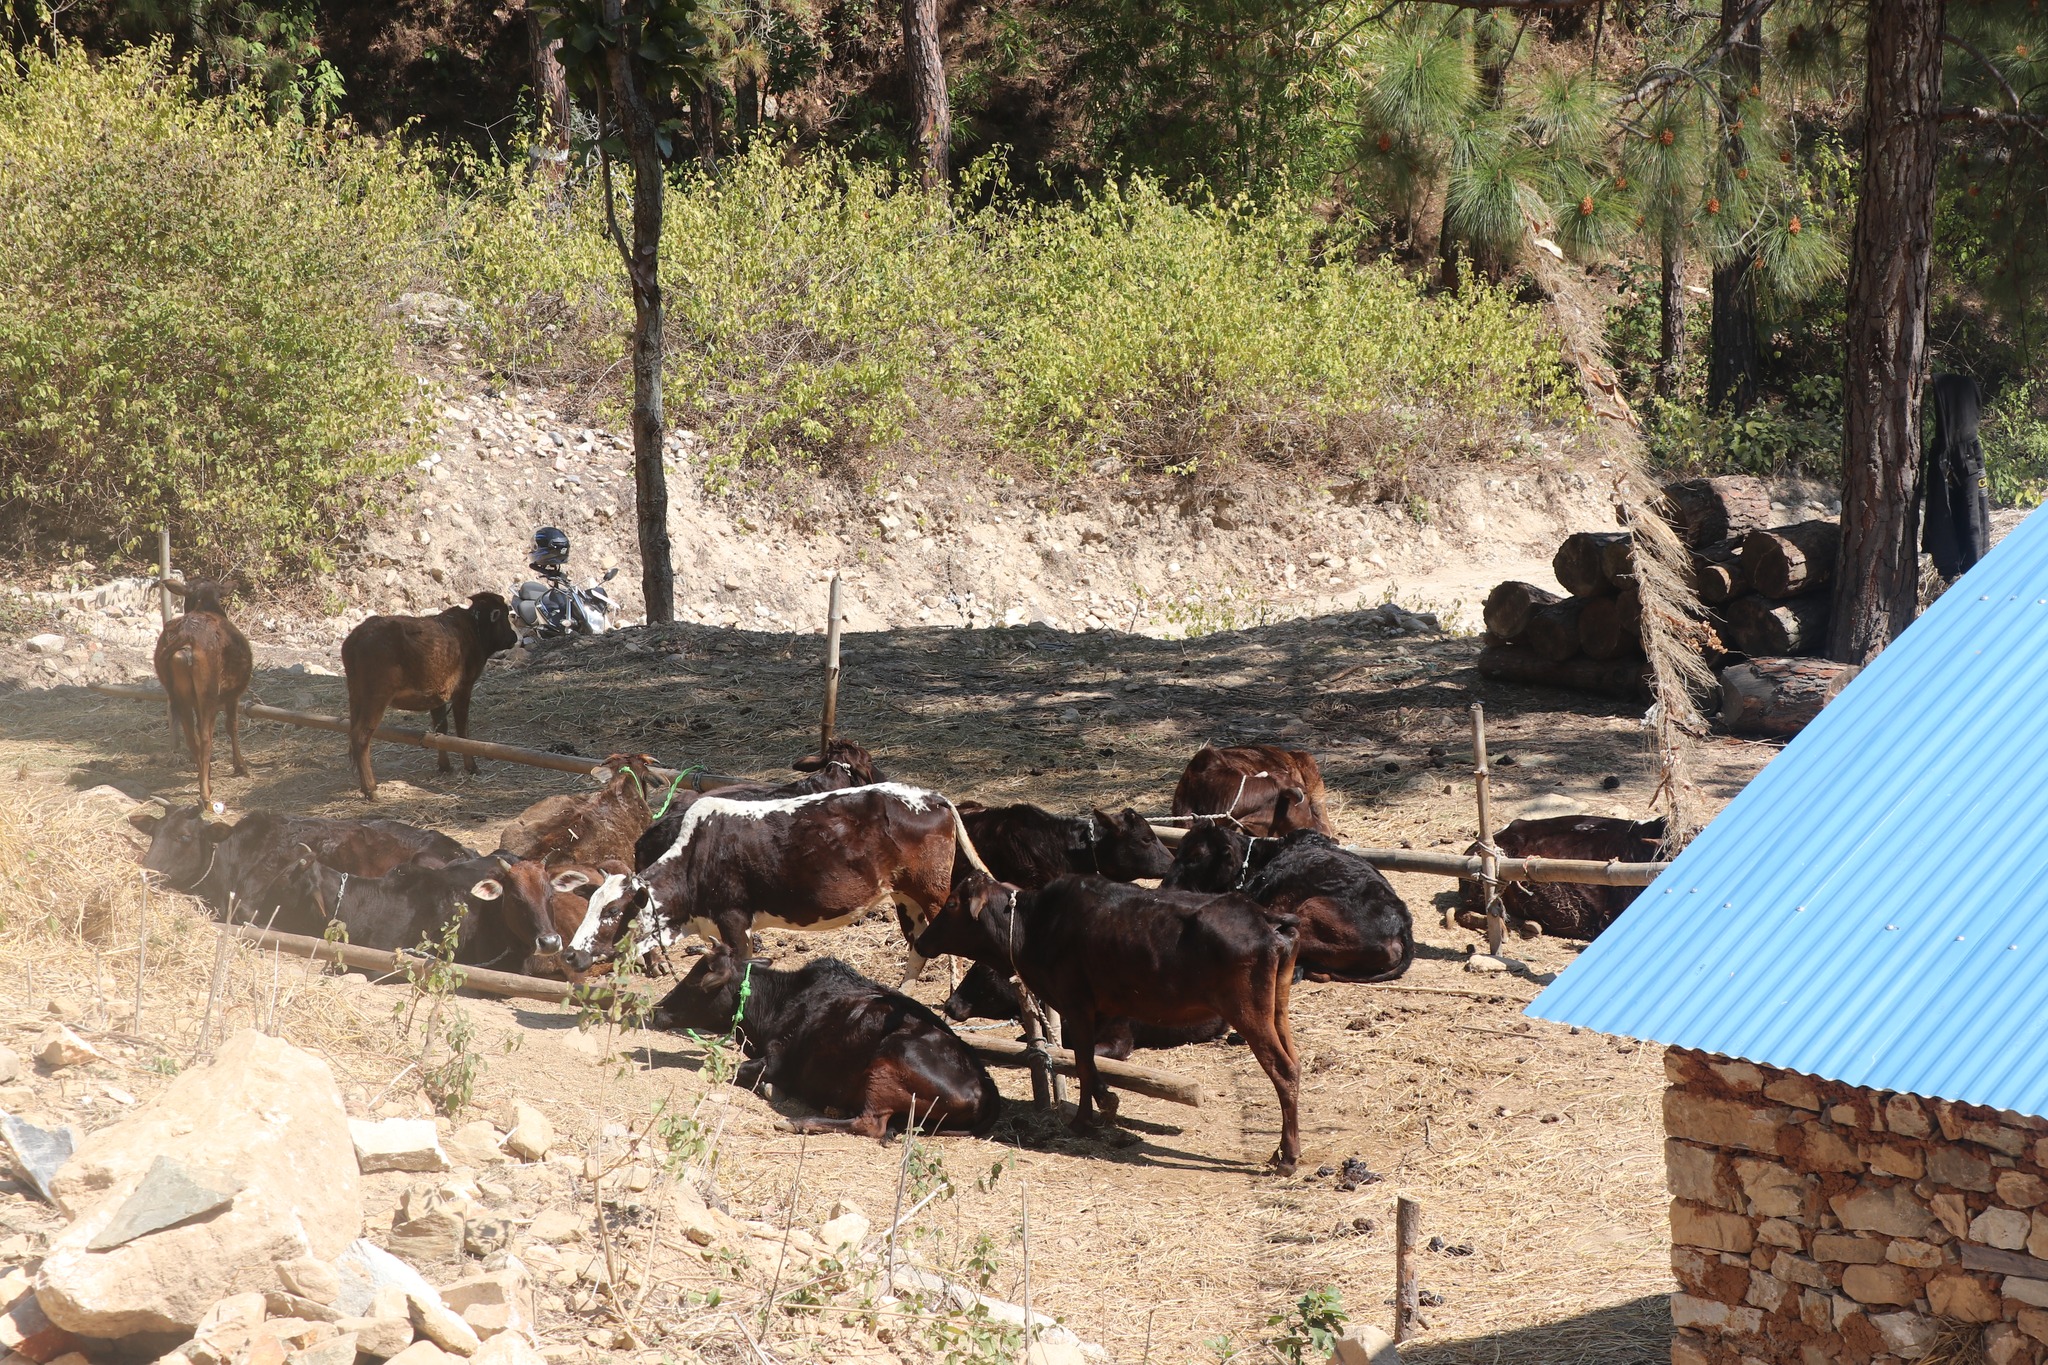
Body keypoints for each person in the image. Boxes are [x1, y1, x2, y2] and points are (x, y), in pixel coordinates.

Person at [1922, 374, 1992, 580]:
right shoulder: (1942, 452)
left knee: (1973, 515)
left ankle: (1971, 565)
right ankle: (1950, 568)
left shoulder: (1969, 449)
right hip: (1949, 455)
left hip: (1968, 458)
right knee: (1943, 510)